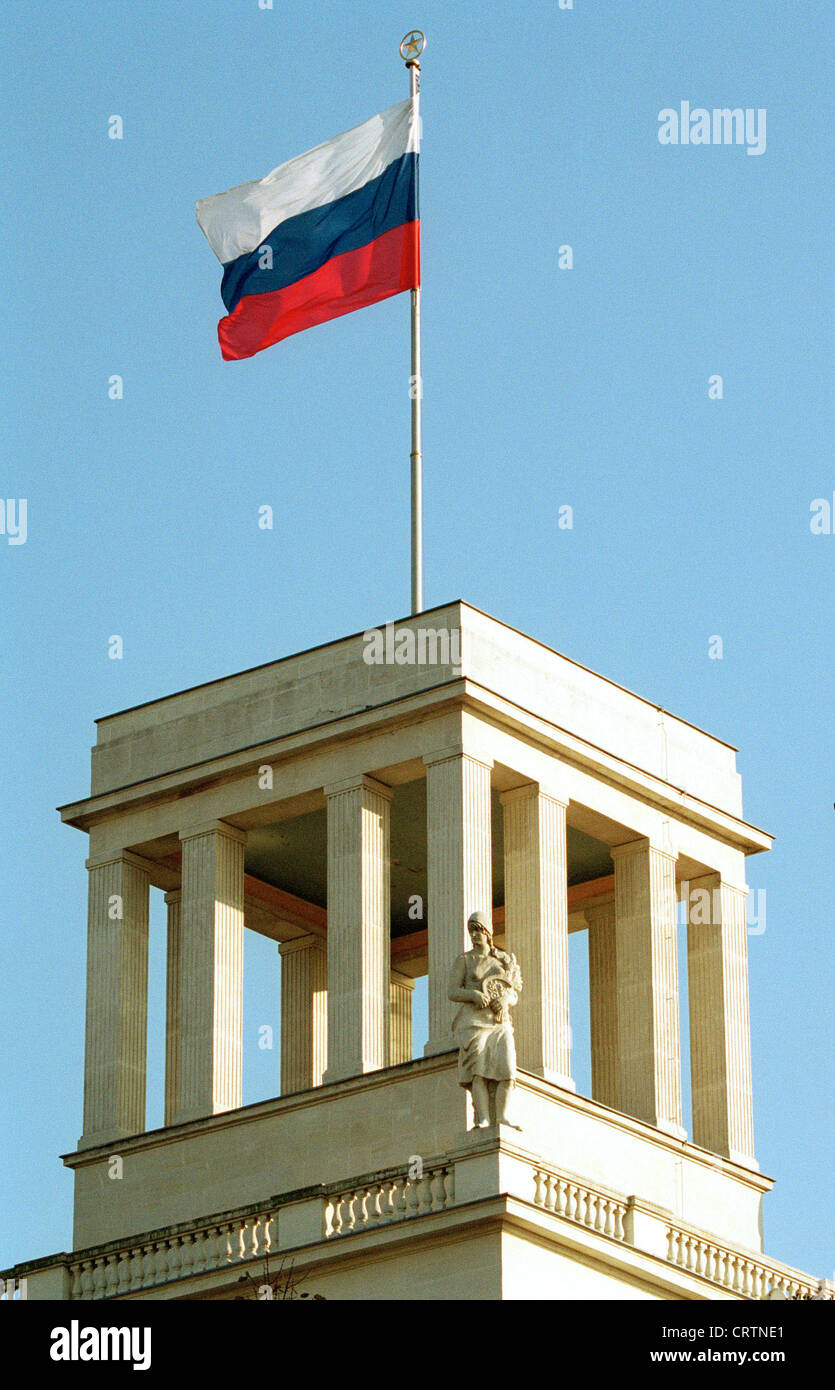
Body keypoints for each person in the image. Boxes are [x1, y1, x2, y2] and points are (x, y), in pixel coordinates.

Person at [447, 910, 523, 1128]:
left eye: (478, 930)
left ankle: (503, 1117)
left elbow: (512, 990)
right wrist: (473, 995)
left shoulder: (503, 960)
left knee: (507, 1069)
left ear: (488, 932)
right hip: (473, 1022)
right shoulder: (465, 960)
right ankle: (483, 1117)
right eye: (471, 930)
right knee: (478, 1070)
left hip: (499, 1021)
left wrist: (506, 1001)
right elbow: (452, 991)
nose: (474, 935)